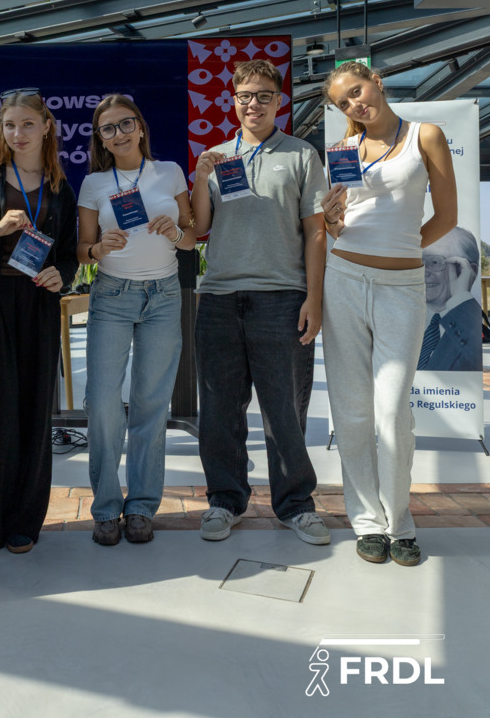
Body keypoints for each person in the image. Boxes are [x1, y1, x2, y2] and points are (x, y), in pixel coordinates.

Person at [321, 61, 457, 567]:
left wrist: (403, 248)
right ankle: (367, 523)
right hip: (343, 278)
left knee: (394, 410)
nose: (354, 104)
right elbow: (337, 225)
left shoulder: (426, 135)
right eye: (343, 102)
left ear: (375, 81)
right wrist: (331, 219)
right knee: (352, 409)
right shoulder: (342, 150)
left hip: (402, 286)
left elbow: (447, 216)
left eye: (356, 91)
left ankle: (400, 523)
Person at [192, 59, 329, 545]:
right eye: (245, 96)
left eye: (264, 96)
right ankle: (225, 501)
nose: (254, 104)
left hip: (282, 298)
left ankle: (296, 505)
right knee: (218, 410)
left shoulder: (302, 154)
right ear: (233, 101)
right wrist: (199, 177)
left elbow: (317, 232)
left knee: (284, 410)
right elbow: (199, 227)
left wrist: (314, 297)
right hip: (219, 298)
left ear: (279, 101)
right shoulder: (216, 156)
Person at [0, 89, 78, 556]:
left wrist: (61, 275)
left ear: (46, 127)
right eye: (9, 125)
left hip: (38, 303)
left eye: (27, 124)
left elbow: (68, 254)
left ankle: (24, 519)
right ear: (0, 129)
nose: (17, 134)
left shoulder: (60, 186)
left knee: (33, 409)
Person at [77, 94, 196, 546]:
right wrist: (98, 248)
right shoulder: (93, 183)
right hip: (112, 296)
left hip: (163, 296)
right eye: (108, 128)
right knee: (103, 402)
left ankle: (142, 506)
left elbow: (191, 239)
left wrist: (176, 231)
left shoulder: (170, 172)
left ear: (140, 127)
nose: (119, 133)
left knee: (151, 402)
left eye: (125, 123)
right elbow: (81, 250)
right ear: (101, 139)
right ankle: (107, 508)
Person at [419, 225, 481, 371]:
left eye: (435, 262)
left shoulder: (471, 326)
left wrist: (460, 298)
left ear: (467, 270)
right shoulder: (400, 318)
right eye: (419, 261)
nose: (423, 271)